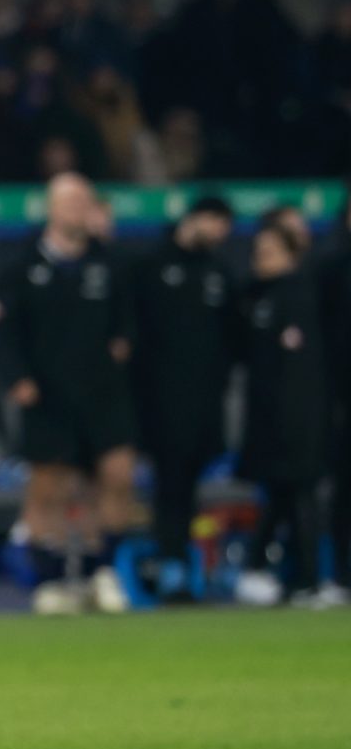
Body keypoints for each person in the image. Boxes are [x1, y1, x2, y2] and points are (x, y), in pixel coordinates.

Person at [0, 173, 140, 614]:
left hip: (103, 393)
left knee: (115, 476)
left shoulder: (110, 264)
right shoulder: (22, 266)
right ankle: (51, 578)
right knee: (50, 487)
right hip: (47, 395)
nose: (77, 211)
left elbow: (130, 319)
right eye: (69, 202)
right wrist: (16, 378)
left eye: (83, 202)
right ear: (51, 209)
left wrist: (124, 344)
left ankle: (101, 571)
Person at [129, 197, 235, 601]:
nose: (220, 234)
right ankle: (170, 566)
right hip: (159, 403)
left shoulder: (218, 271)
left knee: (189, 487)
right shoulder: (151, 266)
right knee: (169, 486)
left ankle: (186, 565)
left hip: (205, 404)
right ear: (196, 218)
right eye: (217, 223)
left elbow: (232, 341)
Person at [231, 217, 334, 607]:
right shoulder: (255, 298)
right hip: (268, 420)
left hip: (300, 418)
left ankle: (303, 579)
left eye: (271, 252)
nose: (262, 259)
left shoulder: (304, 296)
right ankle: (281, 575)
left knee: (299, 495)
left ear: (292, 255)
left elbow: (306, 370)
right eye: (258, 252)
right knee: (281, 497)